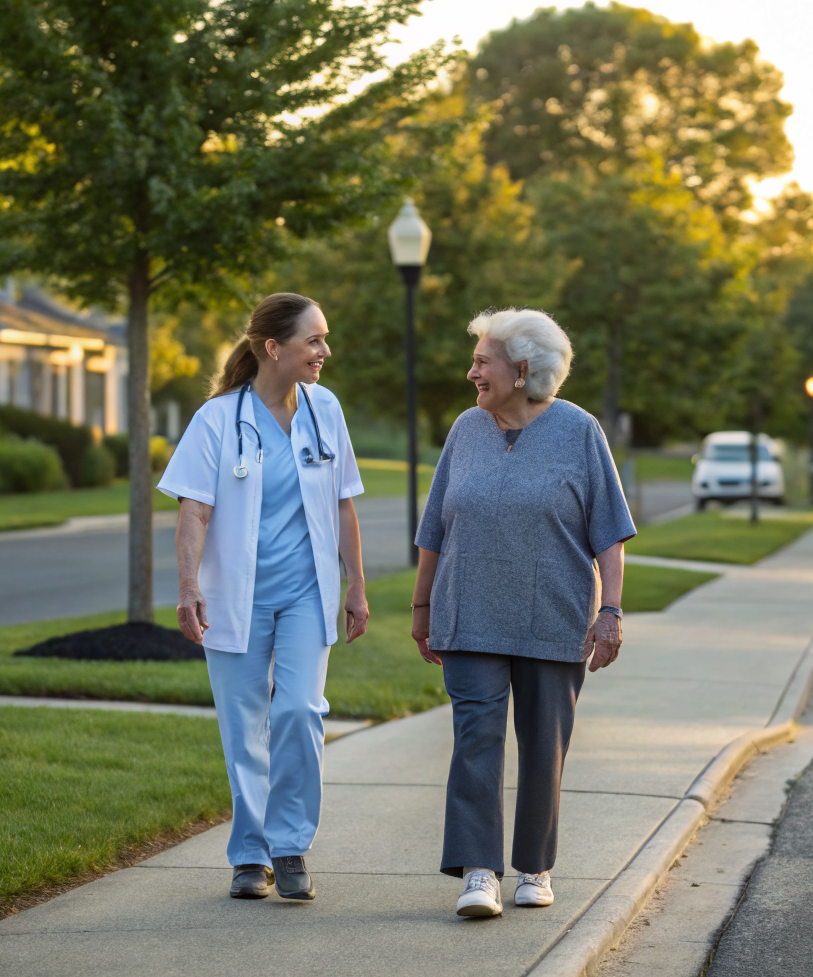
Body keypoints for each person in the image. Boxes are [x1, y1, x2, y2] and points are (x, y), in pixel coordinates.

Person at [411, 307, 636, 918]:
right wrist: (422, 604)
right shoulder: (466, 429)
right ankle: (479, 871)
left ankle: (533, 866)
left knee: (544, 744)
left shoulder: (579, 431)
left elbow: (609, 534)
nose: (471, 372)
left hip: (554, 613)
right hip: (467, 610)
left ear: (523, 368)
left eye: (482, 362)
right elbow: (435, 527)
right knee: (475, 738)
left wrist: (610, 610)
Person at [157, 292, 368, 903]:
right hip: (235, 598)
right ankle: (250, 854)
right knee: (244, 727)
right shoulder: (219, 419)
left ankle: (291, 844)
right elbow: (193, 511)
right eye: (314, 341)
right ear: (274, 348)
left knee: (299, 712)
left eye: (324, 340)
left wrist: (355, 584)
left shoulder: (325, 409)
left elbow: (344, 502)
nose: (325, 351)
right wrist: (189, 587)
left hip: (306, 593)